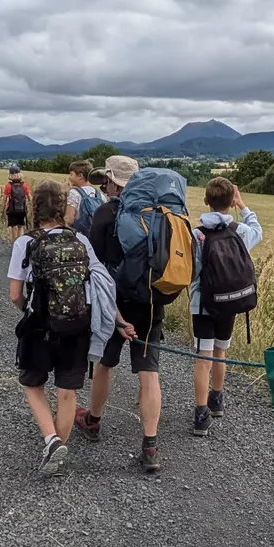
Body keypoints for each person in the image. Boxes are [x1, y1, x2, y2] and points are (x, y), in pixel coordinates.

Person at [6, 181, 128, 477]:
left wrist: (28, 310)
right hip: (77, 323)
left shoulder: (25, 243)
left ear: (35, 207)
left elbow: (15, 294)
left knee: (33, 384)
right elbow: (102, 286)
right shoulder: (80, 240)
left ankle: (51, 440)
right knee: (67, 390)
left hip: (40, 324)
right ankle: (58, 452)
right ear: (63, 208)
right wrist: (119, 320)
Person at [75, 155, 166, 474]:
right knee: (149, 371)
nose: (105, 186)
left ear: (113, 183)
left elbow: (93, 263)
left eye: (106, 181)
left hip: (113, 303)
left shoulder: (105, 213)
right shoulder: (158, 213)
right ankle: (150, 446)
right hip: (151, 303)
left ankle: (93, 420)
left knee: (104, 363)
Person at [187, 176, 262, 437]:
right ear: (231, 202)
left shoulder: (197, 235)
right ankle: (217, 400)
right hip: (231, 301)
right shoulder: (240, 231)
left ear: (206, 201)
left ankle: (201, 414)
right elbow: (258, 230)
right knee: (220, 350)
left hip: (203, 304)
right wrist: (243, 205)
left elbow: (193, 270)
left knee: (203, 356)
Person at [65, 159, 105, 236]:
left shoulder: (74, 193)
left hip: (79, 236)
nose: (69, 177)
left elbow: (69, 219)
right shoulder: (99, 194)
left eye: (71, 174)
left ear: (80, 176)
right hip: (96, 236)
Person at [1, 162, 30, 231]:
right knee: (21, 226)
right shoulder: (24, 185)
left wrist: (2, 211)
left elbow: (4, 200)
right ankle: (21, 238)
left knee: (14, 226)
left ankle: (14, 238)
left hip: (12, 210)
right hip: (22, 209)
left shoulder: (8, 186)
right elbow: (30, 198)